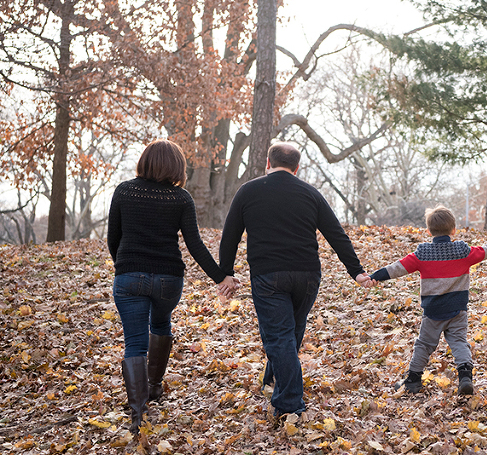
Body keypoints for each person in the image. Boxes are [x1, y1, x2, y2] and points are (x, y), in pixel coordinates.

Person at [219, 142, 370, 419]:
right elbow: (336, 234)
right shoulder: (311, 194)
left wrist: (225, 273)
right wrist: (356, 271)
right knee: (289, 335)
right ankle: (272, 383)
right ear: (297, 168)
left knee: (280, 337)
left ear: (267, 163)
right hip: (307, 275)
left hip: (268, 275)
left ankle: (290, 404)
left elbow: (230, 236)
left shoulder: (248, 191)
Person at [107, 139, 238, 434]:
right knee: (161, 323)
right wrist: (221, 277)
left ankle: (139, 412)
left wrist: (124, 267)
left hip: (129, 277)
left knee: (134, 343)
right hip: (169, 279)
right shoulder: (181, 199)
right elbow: (195, 245)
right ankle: (153, 386)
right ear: (176, 166)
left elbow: (112, 238)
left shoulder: (124, 191)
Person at [370, 205, 487, 395]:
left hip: (433, 312)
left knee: (424, 345)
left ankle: (413, 380)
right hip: (458, 310)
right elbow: (486, 250)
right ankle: (465, 377)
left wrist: (375, 276)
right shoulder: (463, 251)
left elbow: (397, 268)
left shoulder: (422, 254)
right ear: (454, 230)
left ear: (428, 231)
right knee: (459, 342)